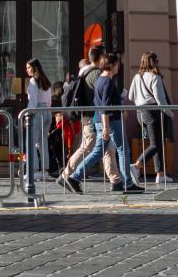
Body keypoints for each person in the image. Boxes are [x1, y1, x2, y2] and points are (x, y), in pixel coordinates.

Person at [58, 51, 140, 194]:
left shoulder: (101, 80)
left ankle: (75, 177)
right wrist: (107, 126)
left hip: (100, 120)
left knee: (97, 152)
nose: (119, 67)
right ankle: (128, 183)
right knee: (123, 151)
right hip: (111, 120)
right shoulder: (107, 81)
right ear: (112, 65)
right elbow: (104, 106)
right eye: (117, 64)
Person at [129, 51, 173, 185]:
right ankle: (136, 165)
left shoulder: (137, 77)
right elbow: (161, 99)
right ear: (153, 62)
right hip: (153, 112)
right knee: (155, 144)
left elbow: (130, 96)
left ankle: (160, 174)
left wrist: (140, 100)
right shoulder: (155, 77)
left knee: (157, 143)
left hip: (139, 113)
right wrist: (170, 113)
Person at [22, 58, 53, 178]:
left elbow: (33, 101)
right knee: (42, 142)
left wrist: (28, 115)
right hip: (47, 111)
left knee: (31, 142)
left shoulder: (33, 81)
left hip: (37, 111)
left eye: (29, 67)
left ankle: (33, 171)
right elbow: (49, 101)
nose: (27, 70)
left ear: (34, 68)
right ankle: (44, 171)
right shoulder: (45, 81)